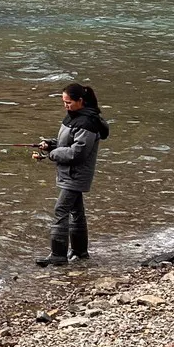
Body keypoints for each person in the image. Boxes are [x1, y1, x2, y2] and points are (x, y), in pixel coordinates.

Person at [32, 82, 108, 266]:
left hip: (76, 174)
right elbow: (65, 142)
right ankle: (80, 252)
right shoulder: (74, 117)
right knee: (76, 211)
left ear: (80, 101)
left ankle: (58, 255)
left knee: (61, 210)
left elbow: (77, 153)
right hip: (70, 173)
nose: (66, 106)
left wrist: (52, 154)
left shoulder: (88, 122)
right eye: (64, 102)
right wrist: (50, 144)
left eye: (68, 102)